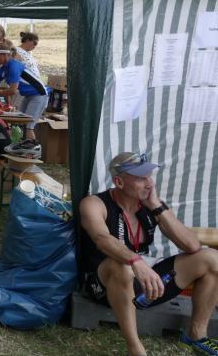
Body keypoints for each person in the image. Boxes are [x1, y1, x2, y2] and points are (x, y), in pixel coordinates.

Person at [80, 152, 218, 356]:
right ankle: (135, 348)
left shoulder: (150, 204)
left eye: (149, 176)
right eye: (141, 178)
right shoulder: (94, 203)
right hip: (103, 284)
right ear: (119, 182)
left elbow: (192, 246)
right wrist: (136, 261)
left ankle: (195, 335)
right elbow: (102, 239)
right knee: (121, 265)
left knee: (212, 259)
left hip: (144, 284)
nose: (149, 183)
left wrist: (156, 206)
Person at [0, 42, 48, 142]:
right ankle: (19, 146)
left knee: (28, 127)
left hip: (39, 95)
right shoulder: (3, 67)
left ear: (5, 54)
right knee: (19, 123)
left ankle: (32, 149)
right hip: (28, 95)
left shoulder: (13, 66)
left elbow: (13, 90)